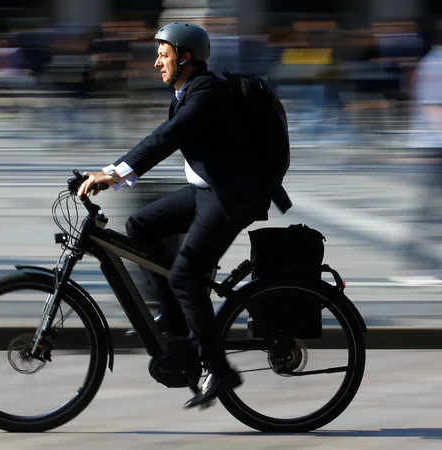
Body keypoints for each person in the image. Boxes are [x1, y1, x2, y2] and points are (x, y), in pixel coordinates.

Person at [77, 22, 291, 409]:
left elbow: (165, 138)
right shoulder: (187, 90)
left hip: (230, 198)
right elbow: (166, 134)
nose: (156, 61)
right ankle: (174, 322)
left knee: (185, 275)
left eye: (164, 54)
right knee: (140, 225)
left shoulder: (206, 94)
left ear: (186, 58)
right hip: (206, 190)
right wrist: (112, 172)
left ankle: (218, 367)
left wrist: (112, 174)